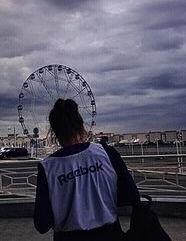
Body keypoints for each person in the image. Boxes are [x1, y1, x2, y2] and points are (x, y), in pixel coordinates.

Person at [34, 98, 140, 241]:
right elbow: (131, 195)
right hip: (110, 234)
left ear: (53, 132)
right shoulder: (106, 153)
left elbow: (42, 223)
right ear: (80, 125)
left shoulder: (48, 167)